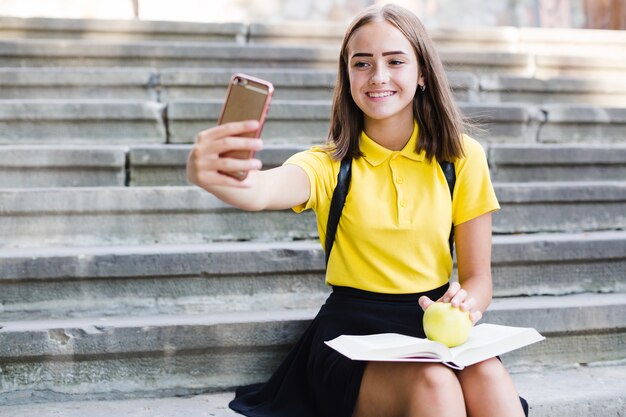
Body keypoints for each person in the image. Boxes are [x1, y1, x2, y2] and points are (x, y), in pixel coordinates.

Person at [187, 4, 528, 417]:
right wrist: (215, 174)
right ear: (347, 76)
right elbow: (262, 189)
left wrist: (463, 303)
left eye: (395, 61)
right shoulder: (329, 163)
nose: (378, 76)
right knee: (435, 385)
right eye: (361, 63)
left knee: (489, 377)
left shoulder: (462, 157)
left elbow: (479, 280)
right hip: (351, 334)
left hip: (431, 325)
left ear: (422, 73)